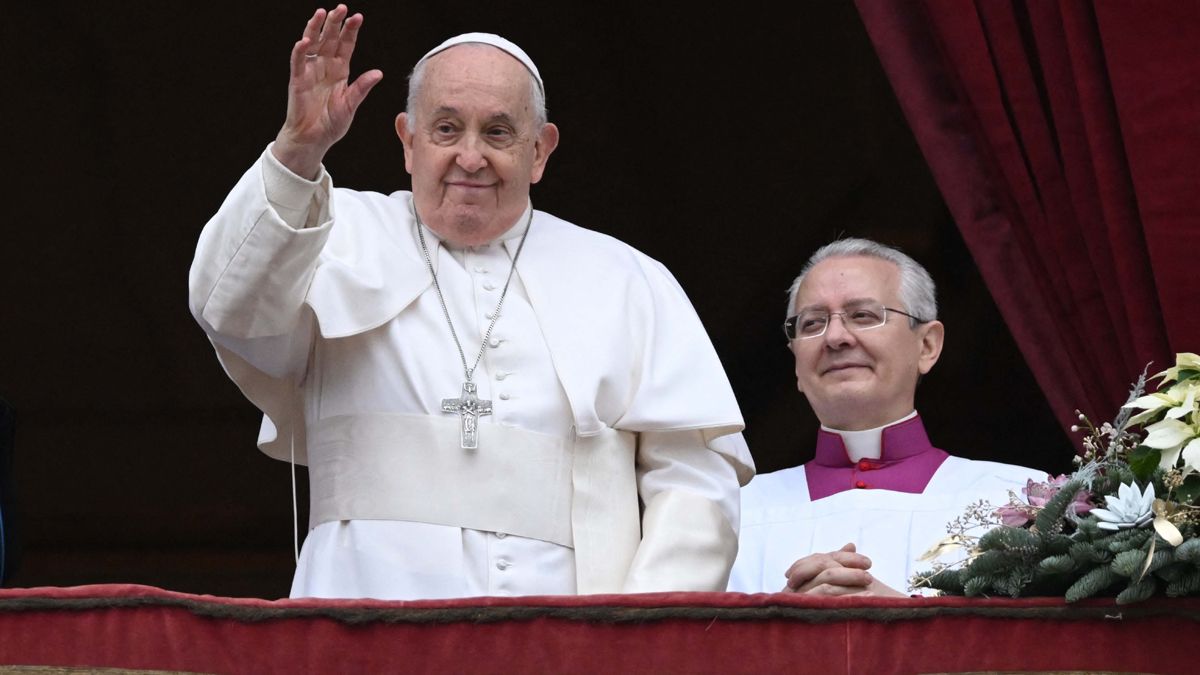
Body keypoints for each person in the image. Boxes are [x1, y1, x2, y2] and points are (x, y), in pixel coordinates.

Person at [188, 5, 752, 600]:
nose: (471, 157)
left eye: (499, 132)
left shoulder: (628, 280)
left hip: (566, 649)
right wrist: (298, 151)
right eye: (447, 128)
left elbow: (695, 485)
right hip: (360, 633)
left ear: (540, 151)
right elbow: (227, 306)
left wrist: (634, 637)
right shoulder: (327, 233)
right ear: (407, 141)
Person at [727, 238, 1044, 596]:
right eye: (812, 323)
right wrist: (782, 626)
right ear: (796, 360)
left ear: (926, 346)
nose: (834, 337)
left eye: (863, 315)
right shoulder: (733, 512)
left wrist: (899, 621)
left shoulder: (1023, 498)